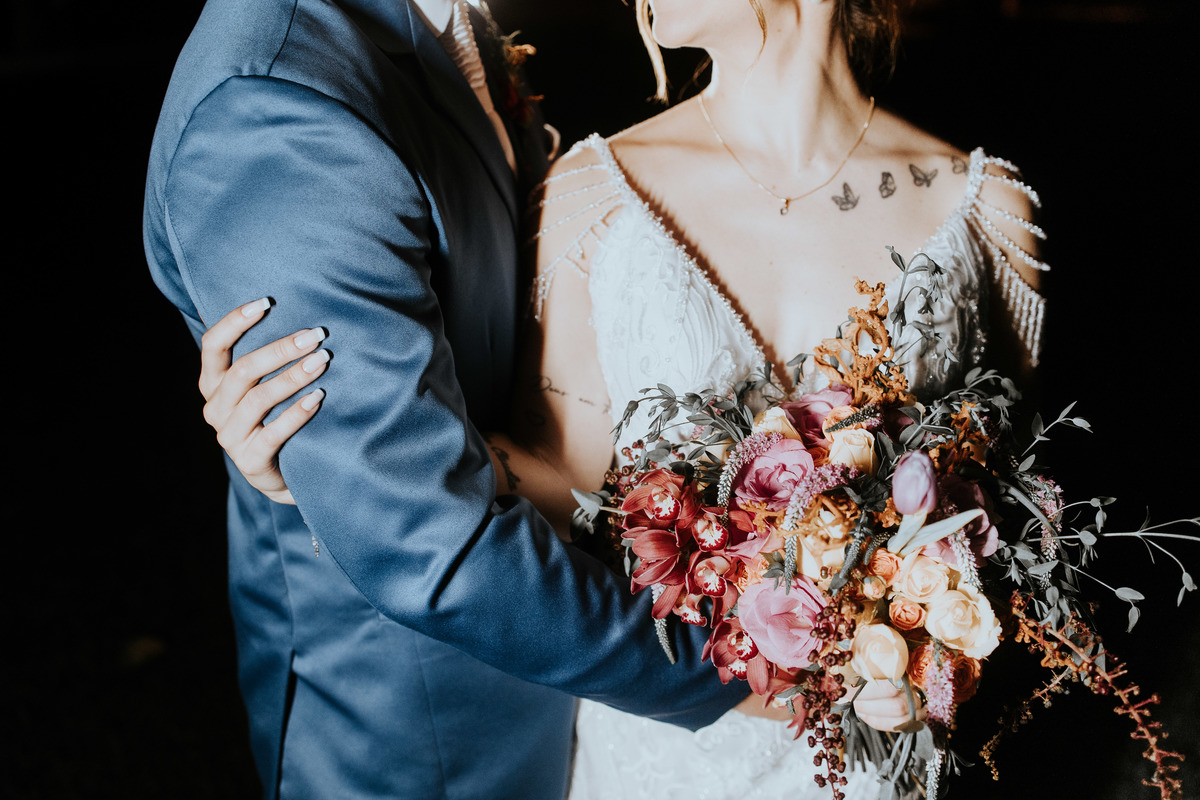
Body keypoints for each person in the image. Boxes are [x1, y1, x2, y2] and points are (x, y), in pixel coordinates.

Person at [193, 0, 1047, 796]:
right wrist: (319, 457)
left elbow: (1011, 533)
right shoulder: (597, 194)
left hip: (877, 759)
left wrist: (931, 656)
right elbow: (561, 480)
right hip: (666, 752)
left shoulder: (988, 211)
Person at [142, 0, 762, 797]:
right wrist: (738, 670)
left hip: (562, 646)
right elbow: (421, 535)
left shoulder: (443, 19)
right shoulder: (274, 110)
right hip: (425, 721)